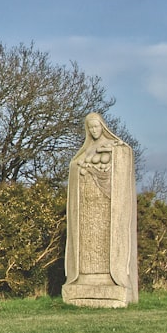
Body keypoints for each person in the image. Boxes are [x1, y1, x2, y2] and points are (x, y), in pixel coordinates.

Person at [64, 113, 138, 306]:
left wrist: (112, 155)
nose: (94, 131)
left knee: (106, 239)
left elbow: (125, 153)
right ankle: (83, 279)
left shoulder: (113, 146)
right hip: (86, 208)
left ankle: (110, 278)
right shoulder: (86, 149)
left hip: (106, 207)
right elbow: (75, 165)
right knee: (87, 242)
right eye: (91, 128)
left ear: (103, 127)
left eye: (97, 127)